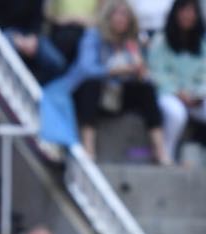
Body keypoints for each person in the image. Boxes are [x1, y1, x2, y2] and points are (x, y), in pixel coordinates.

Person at [73, 3, 172, 165]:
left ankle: (160, 151)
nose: (120, 19)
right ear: (108, 16)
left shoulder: (132, 42)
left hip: (119, 94)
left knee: (146, 89)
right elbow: (86, 69)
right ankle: (88, 149)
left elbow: (146, 76)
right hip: (96, 92)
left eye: (125, 15)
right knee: (90, 86)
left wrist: (140, 70)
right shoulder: (94, 36)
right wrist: (113, 71)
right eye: (117, 14)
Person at [149, 0, 206, 165]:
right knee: (176, 114)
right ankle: (167, 156)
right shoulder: (160, 40)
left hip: (197, 97)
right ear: (176, 13)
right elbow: (157, 72)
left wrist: (200, 94)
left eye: (192, 11)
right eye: (184, 11)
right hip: (169, 94)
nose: (188, 15)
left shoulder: (202, 43)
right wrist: (177, 92)